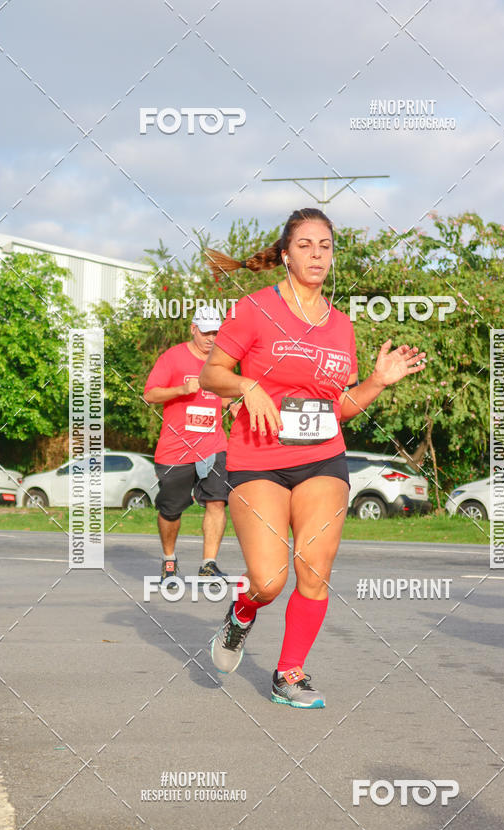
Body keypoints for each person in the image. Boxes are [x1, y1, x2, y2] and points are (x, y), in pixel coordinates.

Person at [200, 208, 426, 708]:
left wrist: (377, 382)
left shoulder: (341, 326)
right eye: (305, 245)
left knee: (314, 568)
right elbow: (211, 374)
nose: (317, 254)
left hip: (323, 459)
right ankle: (242, 612)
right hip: (258, 459)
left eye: (325, 246)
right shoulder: (254, 309)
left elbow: (337, 408)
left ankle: (289, 673)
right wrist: (246, 385)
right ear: (285, 255)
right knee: (268, 580)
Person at [144, 307, 238, 584]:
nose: (211, 338)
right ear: (193, 329)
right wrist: (181, 390)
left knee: (217, 501)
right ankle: (169, 559)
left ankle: (208, 564)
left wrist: (231, 405)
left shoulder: (221, 362)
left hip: (213, 444)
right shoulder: (173, 357)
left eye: (216, 333)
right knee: (170, 510)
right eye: (206, 332)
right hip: (176, 449)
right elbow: (150, 394)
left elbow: (221, 393)